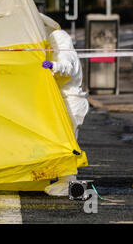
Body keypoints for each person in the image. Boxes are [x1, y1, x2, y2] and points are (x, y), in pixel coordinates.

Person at [42, 29, 89, 196]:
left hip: (71, 102)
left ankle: (67, 181)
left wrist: (53, 66)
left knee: (68, 143)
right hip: (70, 101)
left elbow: (66, 68)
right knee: (66, 141)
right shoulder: (67, 52)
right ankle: (65, 179)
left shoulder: (65, 54)